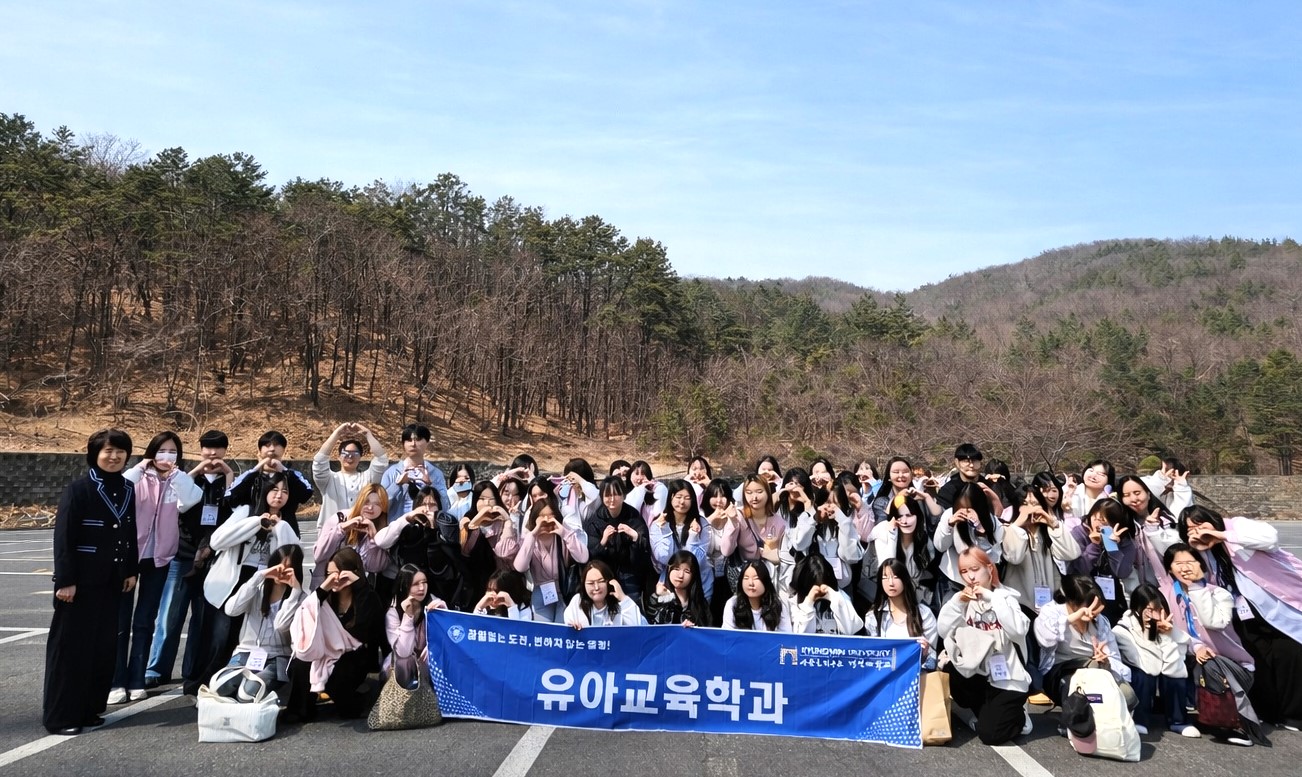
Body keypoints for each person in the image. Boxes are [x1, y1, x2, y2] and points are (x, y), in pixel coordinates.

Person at [43, 429, 138, 736]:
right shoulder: (79, 488)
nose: (114, 456)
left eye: (120, 451)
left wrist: (130, 570)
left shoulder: (127, 488)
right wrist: (66, 580)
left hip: (112, 582)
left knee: (102, 649)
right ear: (95, 453)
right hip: (80, 585)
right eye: (108, 451)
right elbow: (64, 538)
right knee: (70, 651)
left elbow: (129, 532)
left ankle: (89, 708)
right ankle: (61, 716)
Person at [1178, 506, 1302, 728]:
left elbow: (1270, 539)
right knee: (1258, 660)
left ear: (1212, 519)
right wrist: (1200, 548)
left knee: (1291, 654)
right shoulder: (1202, 552)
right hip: (1242, 614)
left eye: (1200, 523)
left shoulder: (1236, 526)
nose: (1197, 530)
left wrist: (1221, 535)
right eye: (1190, 529)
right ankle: (1270, 712)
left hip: (1279, 603)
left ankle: (1294, 714)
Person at [110, 431, 203, 704]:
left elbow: (192, 499)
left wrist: (177, 476)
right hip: (129, 557)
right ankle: (116, 681)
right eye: (162, 451)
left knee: (145, 620)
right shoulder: (138, 477)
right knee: (120, 621)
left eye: (173, 452)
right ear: (152, 452)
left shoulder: (178, 481)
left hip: (160, 558)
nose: (167, 456)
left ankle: (137, 677)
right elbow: (124, 486)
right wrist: (142, 466)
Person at [159, 430, 237, 696]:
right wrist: (195, 472)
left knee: (201, 619)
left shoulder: (231, 478)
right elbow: (177, 502)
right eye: (207, 449)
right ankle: (157, 669)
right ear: (200, 449)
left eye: (217, 449)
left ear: (226, 451)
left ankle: (191, 670)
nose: (212, 454)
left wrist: (228, 477)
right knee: (170, 615)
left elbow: (234, 507)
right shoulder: (188, 476)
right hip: (183, 553)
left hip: (213, 558)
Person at [936, 547, 1033, 745]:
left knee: (990, 735)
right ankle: (987, 710)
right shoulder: (962, 602)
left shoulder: (1006, 599)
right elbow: (943, 630)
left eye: (975, 569)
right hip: (979, 675)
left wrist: (992, 597)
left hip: (1008, 678)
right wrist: (957, 602)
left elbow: (1017, 631)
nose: (970, 576)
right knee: (949, 669)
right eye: (964, 571)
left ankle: (1019, 715)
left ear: (989, 569)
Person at [287, 547, 385, 720]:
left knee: (339, 672)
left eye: (339, 573)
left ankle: (354, 705)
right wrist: (324, 588)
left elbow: (361, 633)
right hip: (325, 651)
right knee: (301, 664)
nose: (336, 578)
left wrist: (359, 585)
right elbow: (306, 613)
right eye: (330, 574)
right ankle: (301, 711)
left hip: (356, 654)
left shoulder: (369, 597)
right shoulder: (325, 599)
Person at [216, 545, 308, 702]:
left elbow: (281, 625)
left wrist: (295, 592)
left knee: (248, 693)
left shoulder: (300, 598)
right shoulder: (257, 589)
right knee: (221, 687)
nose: (282, 572)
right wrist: (259, 576)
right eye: (279, 566)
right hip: (246, 653)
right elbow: (231, 610)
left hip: (277, 657)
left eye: (288, 568)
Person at [1033, 576, 1133, 718]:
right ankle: (1076, 724)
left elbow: (1113, 655)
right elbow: (1046, 641)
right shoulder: (1052, 612)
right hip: (1060, 673)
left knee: (1126, 694)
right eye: (1091, 606)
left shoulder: (1100, 621)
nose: (1096, 612)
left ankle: (1104, 724)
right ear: (1073, 603)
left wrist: (1106, 662)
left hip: (1095, 671)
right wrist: (1072, 617)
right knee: (1078, 683)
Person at [1113, 584, 1200, 737]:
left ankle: (1178, 721)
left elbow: (1176, 669)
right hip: (1141, 678)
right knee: (1142, 675)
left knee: (1176, 677)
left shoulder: (1170, 630)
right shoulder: (1123, 631)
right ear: (1137, 610)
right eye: (1149, 610)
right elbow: (1149, 667)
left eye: (1159, 610)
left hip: (1161, 675)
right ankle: (1140, 719)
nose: (1156, 616)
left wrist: (1167, 637)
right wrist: (1149, 633)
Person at [514, 496, 589, 623]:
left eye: (551, 515)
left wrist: (564, 533)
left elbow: (583, 558)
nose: (547, 520)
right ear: (534, 517)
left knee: (561, 630)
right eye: (542, 515)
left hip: (565, 591)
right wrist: (533, 534)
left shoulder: (563, 535)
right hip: (541, 591)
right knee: (544, 632)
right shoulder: (529, 538)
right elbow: (520, 566)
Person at [224, 430, 313, 535]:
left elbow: (306, 494)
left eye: (276, 445)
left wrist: (284, 471)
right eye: (267, 445)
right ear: (259, 450)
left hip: (285, 533)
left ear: (284, 450)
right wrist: (255, 471)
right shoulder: (250, 475)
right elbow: (230, 498)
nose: (272, 448)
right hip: (253, 534)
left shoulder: (293, 475)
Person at [1066, 499, 1137, 623]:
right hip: (1084, 592)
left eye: (1104, 521)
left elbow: (1122, 573)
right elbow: (1078, 570)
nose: (1098, 524)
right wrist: (1094, 545)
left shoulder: (1124, 538)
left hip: (1112, 595)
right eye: (1095, 518)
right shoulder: (1079, 533)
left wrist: (1112, 547)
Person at [311, 484, 391, 589]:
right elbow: (318, 555)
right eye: (366, 502)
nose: (370, 508)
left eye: (377, 504)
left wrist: (373, 538)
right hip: (326, 587)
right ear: (359, 501)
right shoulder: (339, 518)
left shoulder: (383, 529)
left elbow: (374, 567)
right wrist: (342, 529)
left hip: (355, 592)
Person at [311, 422, 388, 533]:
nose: (350, 457)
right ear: (338, 457)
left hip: (361, 533)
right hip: (332, 533)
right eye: (345, 453)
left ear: (360, 457)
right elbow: (319, 461)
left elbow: (381, 460)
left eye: (355, 453)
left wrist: (368, 434)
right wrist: (336, 434)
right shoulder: (329, 479)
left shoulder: (368, 478)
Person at [583, 478, 652, 600]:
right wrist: (603, 540)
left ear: (624, 495)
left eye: (616, 494)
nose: (612, 499)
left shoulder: (633, 516)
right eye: (608, 495)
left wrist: (635, 536)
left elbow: (645, 552)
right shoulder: (595, 520)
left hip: (630, 573)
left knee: (631, 606)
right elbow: (591, 555)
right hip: (604, 574)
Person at [933, 482, 1003, 600]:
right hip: (954, 579)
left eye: (970, 509)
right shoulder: (949, 515)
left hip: (982, 582)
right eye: (960, 508)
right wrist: (949, 525)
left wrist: (981, 532)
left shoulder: (991, 521)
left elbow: (995, 557)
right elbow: (940, 546)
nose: (965, 513)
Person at [864, 559, 939, 668]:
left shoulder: (923, 614)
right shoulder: (874, 616)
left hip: (915, 676)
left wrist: (925, 653)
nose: (890, 583)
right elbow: (871, 655)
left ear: (905, 579)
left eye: (895, 577)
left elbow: (932, 656)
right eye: (885, 578)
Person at [385, 564, 447, 689]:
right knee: (403, 662)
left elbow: (447, 637)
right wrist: (407, 616)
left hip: (428, 661)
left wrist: (444, 612)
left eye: (424, 582)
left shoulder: (433, 603)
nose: (421, 588)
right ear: (405, 586)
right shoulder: (393, 612)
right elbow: (403, 651)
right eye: (415, 584)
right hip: (404, 665)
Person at [649, 479, 712, 597]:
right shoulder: (658, 523)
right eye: (678, 497)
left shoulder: (702, 523)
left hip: (700, 582)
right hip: (671, 582)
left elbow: (697, 561)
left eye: (687, 498)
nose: (682, 502)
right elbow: (664, 558)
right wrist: (666, 531)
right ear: (671, 497)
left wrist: (693, 536)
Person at [381, 423, 450, 519]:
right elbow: (381, 505)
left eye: (418, 440)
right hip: (398, 529)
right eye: (409, 440)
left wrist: (430, 484)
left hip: (426, 528)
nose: (413, 444)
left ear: (427, 443)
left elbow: (446, 506)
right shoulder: (391, 472)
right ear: (403, 444)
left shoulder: (436, 474)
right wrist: (397, 485)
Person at [791, 554, 863, 635]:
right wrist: (809, 603)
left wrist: (834, 597)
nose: (819, 591)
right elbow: (800, 636)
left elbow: (850, 630)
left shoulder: (840, 598)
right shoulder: (794, 603)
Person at [564, 560, 647, 628]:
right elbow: (568, 625)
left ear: (609, 582)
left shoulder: (621, 604)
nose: (596, 587)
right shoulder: (577, 601)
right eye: (590, 583)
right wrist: (572, 627)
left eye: (601, 581)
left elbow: (639, 627)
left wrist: (623, 598)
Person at [645, 550, 712, 626]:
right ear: (669, 570)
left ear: (693, 576)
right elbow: (648, 624)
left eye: (687, 571)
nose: (680, 575)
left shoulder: (700, 603)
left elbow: (707, 630)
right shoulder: (659, 598)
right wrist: (657, 596)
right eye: (676, 569)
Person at [722, 560, 792, 632]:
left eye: (756, 578)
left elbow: (786, 636)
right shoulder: (733, 604)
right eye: (746, 578)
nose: (751, 583)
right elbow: (728, 636)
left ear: (766, 581)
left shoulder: (777, 605)